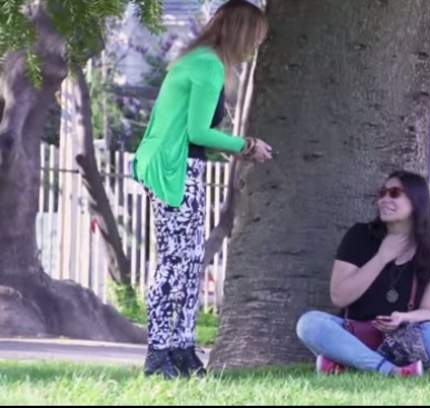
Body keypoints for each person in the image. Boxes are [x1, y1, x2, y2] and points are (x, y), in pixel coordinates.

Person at [132, 0, 272, 378]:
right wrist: (246, 145)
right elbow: (197, 132)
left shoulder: (197, 60)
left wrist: (229, 148)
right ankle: (158, 355)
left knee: (190, 261)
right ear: (240, 33)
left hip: (175, 165)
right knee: (176, 262)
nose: (254, 47)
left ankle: (182, 350)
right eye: (254, 38)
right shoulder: (209, 66)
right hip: (174, 169)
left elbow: (186, 128)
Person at [296, 171, 430, 377]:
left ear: (417, 201)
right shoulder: (360, 236)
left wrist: (403, 318)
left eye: (394, 193)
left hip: (402, 341)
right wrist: (381, 257)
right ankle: (391, 371)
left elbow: (429, 312)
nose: (384, 199)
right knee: (309, 324)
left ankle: (350, 364)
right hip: (353, 335)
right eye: (382, 193)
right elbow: (339, 297)